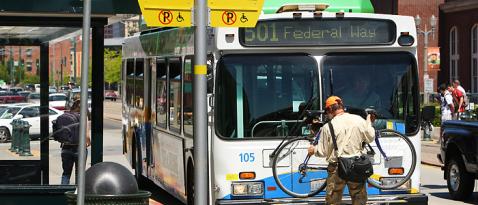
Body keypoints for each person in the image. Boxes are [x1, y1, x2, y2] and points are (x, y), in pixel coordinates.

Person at [308, 96, 375, 205]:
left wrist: (313, 150)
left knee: (333, 201)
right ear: (341, 107)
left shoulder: (328, 126)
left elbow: (322, 152)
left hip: (337, 169)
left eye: (326, 111)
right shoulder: (358, 120)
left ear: (330, 110)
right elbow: (371, 137)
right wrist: (369, 122)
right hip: (356, 166)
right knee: (359, 199)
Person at [60, 100, 90, 184]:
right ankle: (77, 194)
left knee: (66, 173)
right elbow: (87, 135)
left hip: (66, 148)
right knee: (79, 174)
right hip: (79, 148)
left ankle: (62, 193)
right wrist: (89, 142)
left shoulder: (66, 115)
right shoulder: (83, 117)